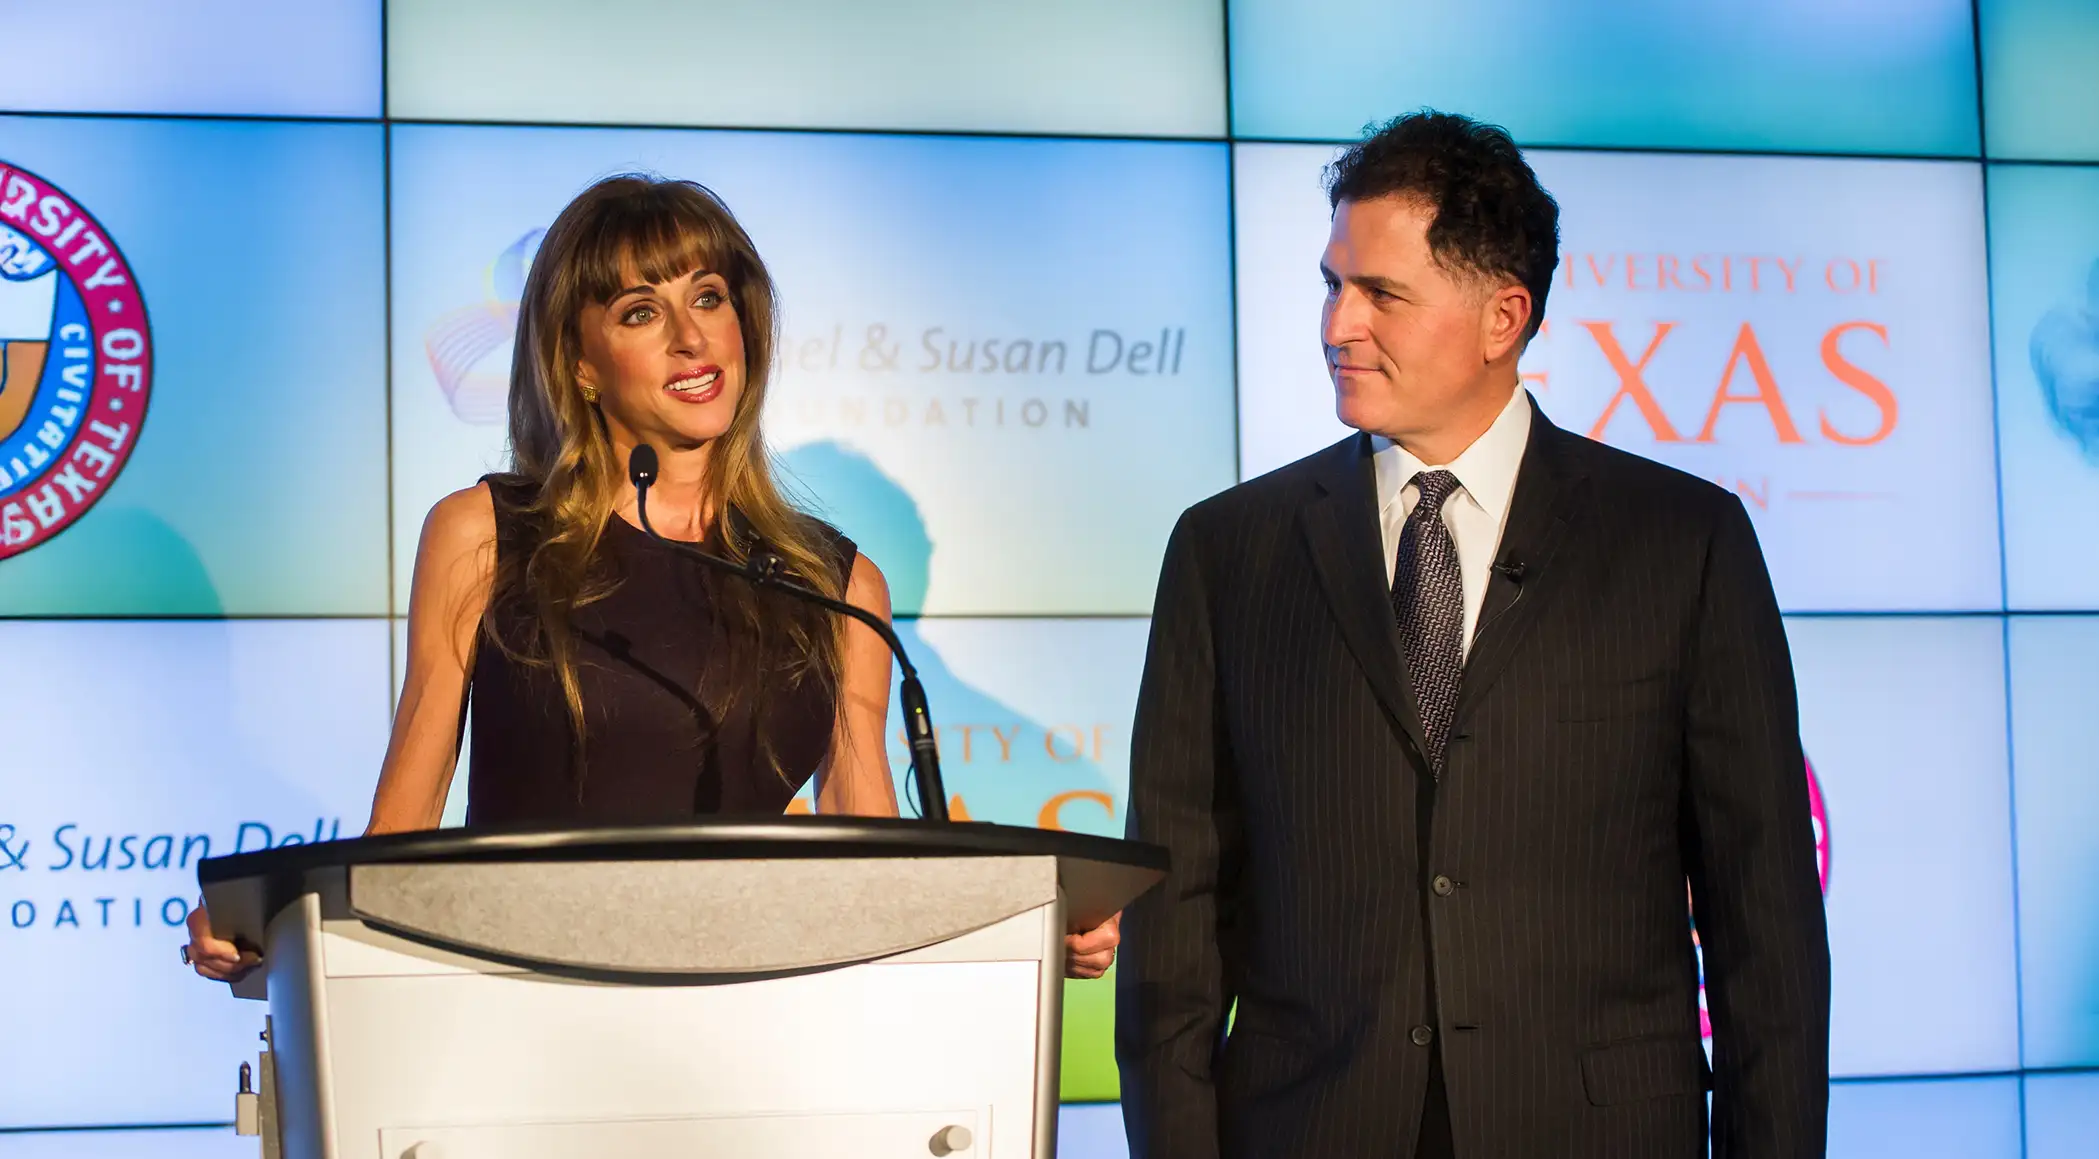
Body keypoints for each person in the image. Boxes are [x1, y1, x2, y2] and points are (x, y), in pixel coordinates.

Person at [182, 174, 1120, 982]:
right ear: (581, 365)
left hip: (759, 1014)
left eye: (708, 297)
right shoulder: (486, 535)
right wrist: (291, 937)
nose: (689, 337)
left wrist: (1028, 927)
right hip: (514, 1002)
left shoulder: (834, 583)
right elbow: (406, 815)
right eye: (640, 312)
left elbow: (865, 855)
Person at [1115, 112, 1830, 1158]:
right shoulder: (1229, 551)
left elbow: (1762, 923)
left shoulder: (1681, 541)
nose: (1335, 325)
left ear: (1502, 317)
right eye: (1331, 283)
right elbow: (1173, 925)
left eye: (1381, 294)